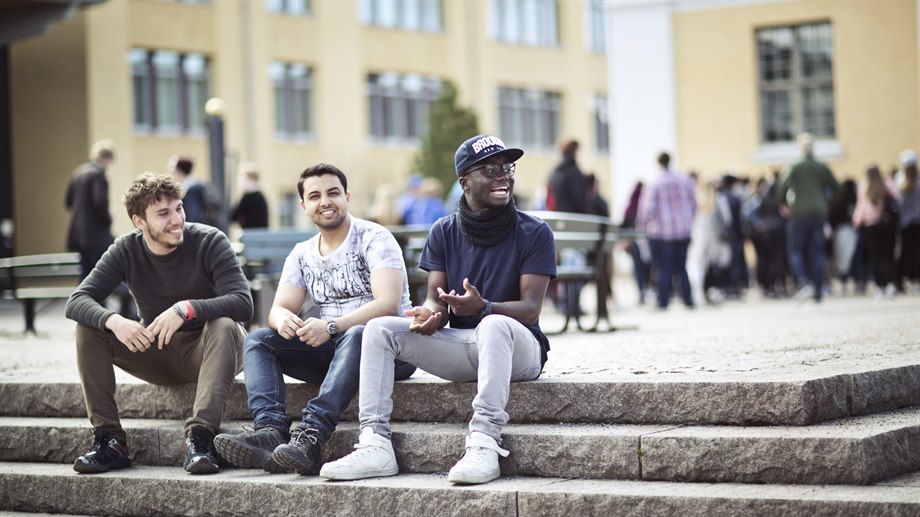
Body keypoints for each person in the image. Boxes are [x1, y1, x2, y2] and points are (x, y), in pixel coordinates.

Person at [319, 134, 556, 485]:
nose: (503, 177)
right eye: (491, 170)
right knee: (379, 328)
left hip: (520, 349)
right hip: (465, 345)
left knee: (492, 324)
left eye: (507, 168)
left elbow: (531, 309)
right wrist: (431, 313)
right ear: (464, 181)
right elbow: (436, 297)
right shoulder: (443, 231)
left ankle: (484, 441)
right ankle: (375, 443)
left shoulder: (534, 232)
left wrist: (484, 307)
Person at [213, 163, 416, 475]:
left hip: (390, 349)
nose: (325, 201)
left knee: (359, 333)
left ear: (347, 197)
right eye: (315, 196)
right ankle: (270, 431)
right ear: (303, 205)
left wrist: (332, 326)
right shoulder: (302, 253)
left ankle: (310, 437)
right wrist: (284, 320)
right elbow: (278, 309)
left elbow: (388, 305)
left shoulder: (374, 237)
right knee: (259, 340)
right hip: (335, 349)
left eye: (333, 193)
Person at [65, 172, 252, 475]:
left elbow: (243, 302)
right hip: (160, 351)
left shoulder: (210, 240)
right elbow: (77, 300)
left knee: (223, 323)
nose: (177, 220)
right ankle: (110, 440)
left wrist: (187, 309)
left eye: (179, 208)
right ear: (139, 221)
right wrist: (114, 320)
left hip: (213, 349)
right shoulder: (126, 249)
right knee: (88, 328)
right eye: (163, 213)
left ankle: (201, 439)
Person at [65, 139, 135, 318]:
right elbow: (100, 203)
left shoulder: (78, 172)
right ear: (107, 158)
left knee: (85, 277)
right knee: (101, 277)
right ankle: (99, 315)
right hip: (96, 236)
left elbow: (68, 202)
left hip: (79, 236)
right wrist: (109, 218)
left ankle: (84, 314)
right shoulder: (98, 174)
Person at [776, 132, 838, 303]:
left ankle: (803, 282)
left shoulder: (794, 165)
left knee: (796, 249)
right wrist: (826, 202)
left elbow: (782, 185)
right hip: (818, 212)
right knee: (817, 251)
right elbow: (835, 187)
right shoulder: (821, 166)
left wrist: (783, 203)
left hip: (799, 212)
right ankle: (818, 289)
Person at [636, 151, 697, 309]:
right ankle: (688, 299)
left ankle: (663, 301)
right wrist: (688, 222)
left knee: (664, 268)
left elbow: (646, 210)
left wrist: (642, 229)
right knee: (682, 267)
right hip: (683, 231)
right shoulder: (684, 179)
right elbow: (694, 203)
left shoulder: (655, 182)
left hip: (662, 232)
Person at [852, 164, 899, 298]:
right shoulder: (887, 183)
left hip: (870, 227)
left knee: (874, 257)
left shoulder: (864, 187)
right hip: (886, 225)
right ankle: (890, 283)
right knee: (888, 255)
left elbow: (860, 208)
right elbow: (897, 199)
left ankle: (880, 286)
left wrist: (856, 222)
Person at [170, 154, 228, 232]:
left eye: (173, 167)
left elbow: (194, 217)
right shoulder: (199, 184)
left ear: (179, 170)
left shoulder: (191, 190)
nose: (171, 171)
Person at [896, 151, 920, 290]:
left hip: (905, 223)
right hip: (917, 222)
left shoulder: (899, 183)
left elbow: (898, 205)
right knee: (916, 252)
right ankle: (915, 279)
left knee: (905, 252)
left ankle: (904, 279)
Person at [231, 162, 269, 229]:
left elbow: (233, 216)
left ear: (251, 179)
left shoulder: (248, 197)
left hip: (250, 233)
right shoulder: (260, 196)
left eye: (242, 180)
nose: (239, 183)